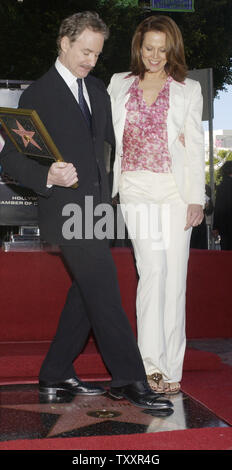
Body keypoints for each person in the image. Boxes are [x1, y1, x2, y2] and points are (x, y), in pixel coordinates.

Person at [0, 11, 173, 411]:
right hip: (64, 211)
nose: (91, 61)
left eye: (97, 53)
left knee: (87, 293)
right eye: (85, 51)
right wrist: (49, 175)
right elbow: (11, 162)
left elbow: (108, 152)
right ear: (64, 42)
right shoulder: (37, 95)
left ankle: (56, 370)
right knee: (106, 290)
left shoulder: (97, 90)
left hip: (98, 210)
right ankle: (130, 378)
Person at [108, 15, 205, 394]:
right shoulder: (119, 84)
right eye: (149, 47)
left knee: (174, 277)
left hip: (174, 191)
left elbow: (194, 144)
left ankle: (171, 369)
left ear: (172, 51)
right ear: (139, 46)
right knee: (151, 272)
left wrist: (197, 198)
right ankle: (149, 367)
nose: (154, 55)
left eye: (162, 50)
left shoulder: (188, 89)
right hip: (134, 188)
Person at [213, 161, 232, 250]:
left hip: (225, 227)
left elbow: (218, 208)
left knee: (226, 253)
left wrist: (215, 226)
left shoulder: (222, 187)